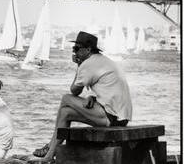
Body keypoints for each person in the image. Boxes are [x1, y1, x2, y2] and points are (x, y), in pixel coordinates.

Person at [30, 31, 132, 163]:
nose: (74, 52)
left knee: (66, 99)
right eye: (73, 49)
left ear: (88, 50)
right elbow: (109, 91)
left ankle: (50, 148)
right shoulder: (103, 61)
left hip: (111, 117)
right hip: (120, 117)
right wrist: (93, 98)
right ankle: (49, 154)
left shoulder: (88, 63)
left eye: (77, 49)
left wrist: (78, 65)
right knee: (66, 113)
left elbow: (74, 91)